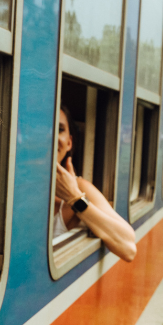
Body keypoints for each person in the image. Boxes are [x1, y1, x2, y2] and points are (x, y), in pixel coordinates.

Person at [52, 107, 137, 261]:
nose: (52, 137)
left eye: (59, 130)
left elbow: (128, 247)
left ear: (69, 142)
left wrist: (74, 198)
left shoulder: (79, 187)